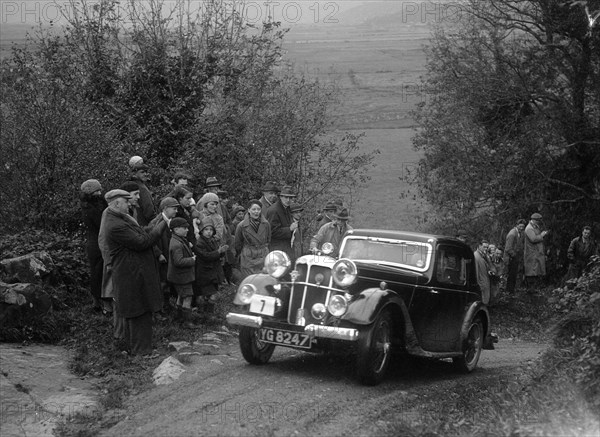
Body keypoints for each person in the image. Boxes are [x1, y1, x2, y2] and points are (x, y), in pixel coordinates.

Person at [102, 189, 168, 357]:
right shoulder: (116, 225)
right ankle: (142, 351)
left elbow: (140, 232)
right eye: (126, 201)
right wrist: (162, 225)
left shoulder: (118, 218)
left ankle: (136, 349)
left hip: (132, 272)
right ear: (117, 203)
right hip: (131, 273)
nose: (129, 203)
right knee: (139, 310)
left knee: (138, 310)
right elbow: (142, 242)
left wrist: (158, 220)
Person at [147, 197, 180, 310]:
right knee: (161, 283)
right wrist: (158, 254)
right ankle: (158, 308)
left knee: (167, 281)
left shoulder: (171, 221)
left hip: (168, 256)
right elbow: (149, 239)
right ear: (165, 208)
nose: (176, 211)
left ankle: (166, 304)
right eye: (174, 208)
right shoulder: (156, 222)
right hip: (161, 258)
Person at [80, 179, 107, 311]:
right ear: (91, 192)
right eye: (98, 190)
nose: (100, 192)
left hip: (94, 242)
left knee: (97, 272)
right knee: (98, 272)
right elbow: (101, 223)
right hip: (97, 244)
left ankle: (98, 301)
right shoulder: (92, 208)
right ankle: (99, 301)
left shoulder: (89, 206)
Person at [167, 217, 196, 327]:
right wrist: (192, 260)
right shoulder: (177, 244)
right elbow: (178, 261)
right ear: (176, 229)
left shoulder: (177, 240)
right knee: (187, 297)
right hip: (182, 277)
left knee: (181, 296)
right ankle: (187, 322)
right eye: (184, 228)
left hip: (178, 276)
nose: (187, 230)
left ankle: (179, 318)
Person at [195, 217, 229, 312]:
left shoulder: (213, 240)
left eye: (211, 229)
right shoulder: (199, 242)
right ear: (201, 231)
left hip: (213, 273)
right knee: (211, 295)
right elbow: (206, 256)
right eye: (206, 229)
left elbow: (216, 255)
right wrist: (218, 252)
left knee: (210, 295)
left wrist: (222, 251)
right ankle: (205, 313)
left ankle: (207, 313)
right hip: (205, 274)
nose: (209, 232)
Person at [234, 200, 271, 278]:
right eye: (254, 209)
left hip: (263, 254)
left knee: (263, 279)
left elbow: (268, 239)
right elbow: (238, 243)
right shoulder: (241, 226)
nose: (256, 212)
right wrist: (244, 253)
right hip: (248, 257)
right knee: (250, 281)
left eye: (258, 209)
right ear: (248, 210)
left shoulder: (266, 224)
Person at [266, 185, 298, 260]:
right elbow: (272, 232)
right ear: (280, 197)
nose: (288, 200)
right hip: (277, 250)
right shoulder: (274, 210)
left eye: (290, 198)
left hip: (286, 248)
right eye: (286, 197)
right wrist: (289, 229)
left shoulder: (287, 208)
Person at [524, 213, 549, 289]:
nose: (539, 222)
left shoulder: (535, 226)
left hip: (536, 253)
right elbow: (533, 239)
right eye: (538, 221)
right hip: (531, 254)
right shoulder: (529, 228)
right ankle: (530, 290)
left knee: (536, 271)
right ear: (534, 220)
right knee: (531, 272)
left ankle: (533, 289)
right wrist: (542, 235)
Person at [128, 159, 156, 226]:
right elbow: (149, 210)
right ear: (134, 174)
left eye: (146, 172)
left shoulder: (129, 185)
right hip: (143, 225)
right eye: (142, 172)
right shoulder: (141, 188)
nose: (145, 174)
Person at [504, 219, 526, 293]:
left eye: (523, 226)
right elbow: (508, 248)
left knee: (514, 274)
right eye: (520, 226)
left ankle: (511, 290)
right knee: (511, 275)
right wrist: (514, 255)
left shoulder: (521, 233)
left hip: (515, 257)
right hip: (510, 258)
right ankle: (509, 291)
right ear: (517, 225)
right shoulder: (512, 234)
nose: (522, 228)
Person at [474, 240, 492, 305]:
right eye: (484, 247)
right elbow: (476, 272)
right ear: (479, 246)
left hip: (485, 283)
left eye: (487, 247)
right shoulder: (476, 256)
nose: (486, 249)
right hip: (481, 285)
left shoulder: (483, 256)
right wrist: (479, 284)